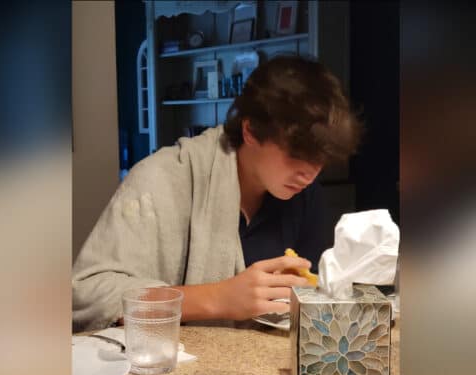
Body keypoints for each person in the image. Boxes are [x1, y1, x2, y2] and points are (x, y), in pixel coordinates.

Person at [73, 55, 362, 331]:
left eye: (320, 159)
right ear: (250, 131)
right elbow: (88, 295)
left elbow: (318, 295)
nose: (310, 174)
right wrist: (217, 298)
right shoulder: (165, 178)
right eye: (296, 154)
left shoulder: (305, 195)